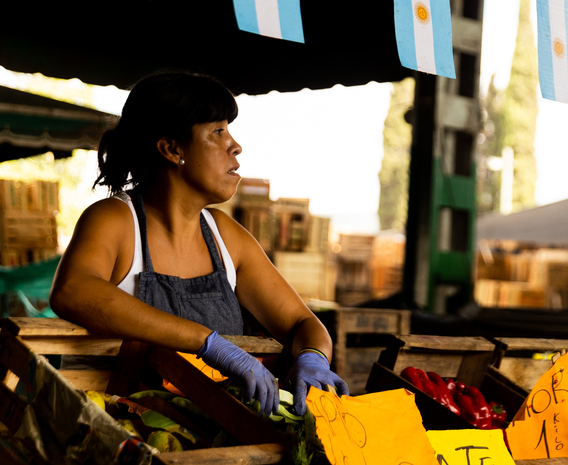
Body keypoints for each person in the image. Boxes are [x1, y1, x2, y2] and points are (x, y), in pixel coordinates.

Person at [49, 70, 348, 415]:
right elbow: (73, 291)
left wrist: (312, 357)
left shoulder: (226, 238)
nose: (235, 145)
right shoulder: (115, 220)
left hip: (213, 432)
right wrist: (207, 343)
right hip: (122, 432)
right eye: (218, 132)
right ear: (172, 149)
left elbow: (302, 324)